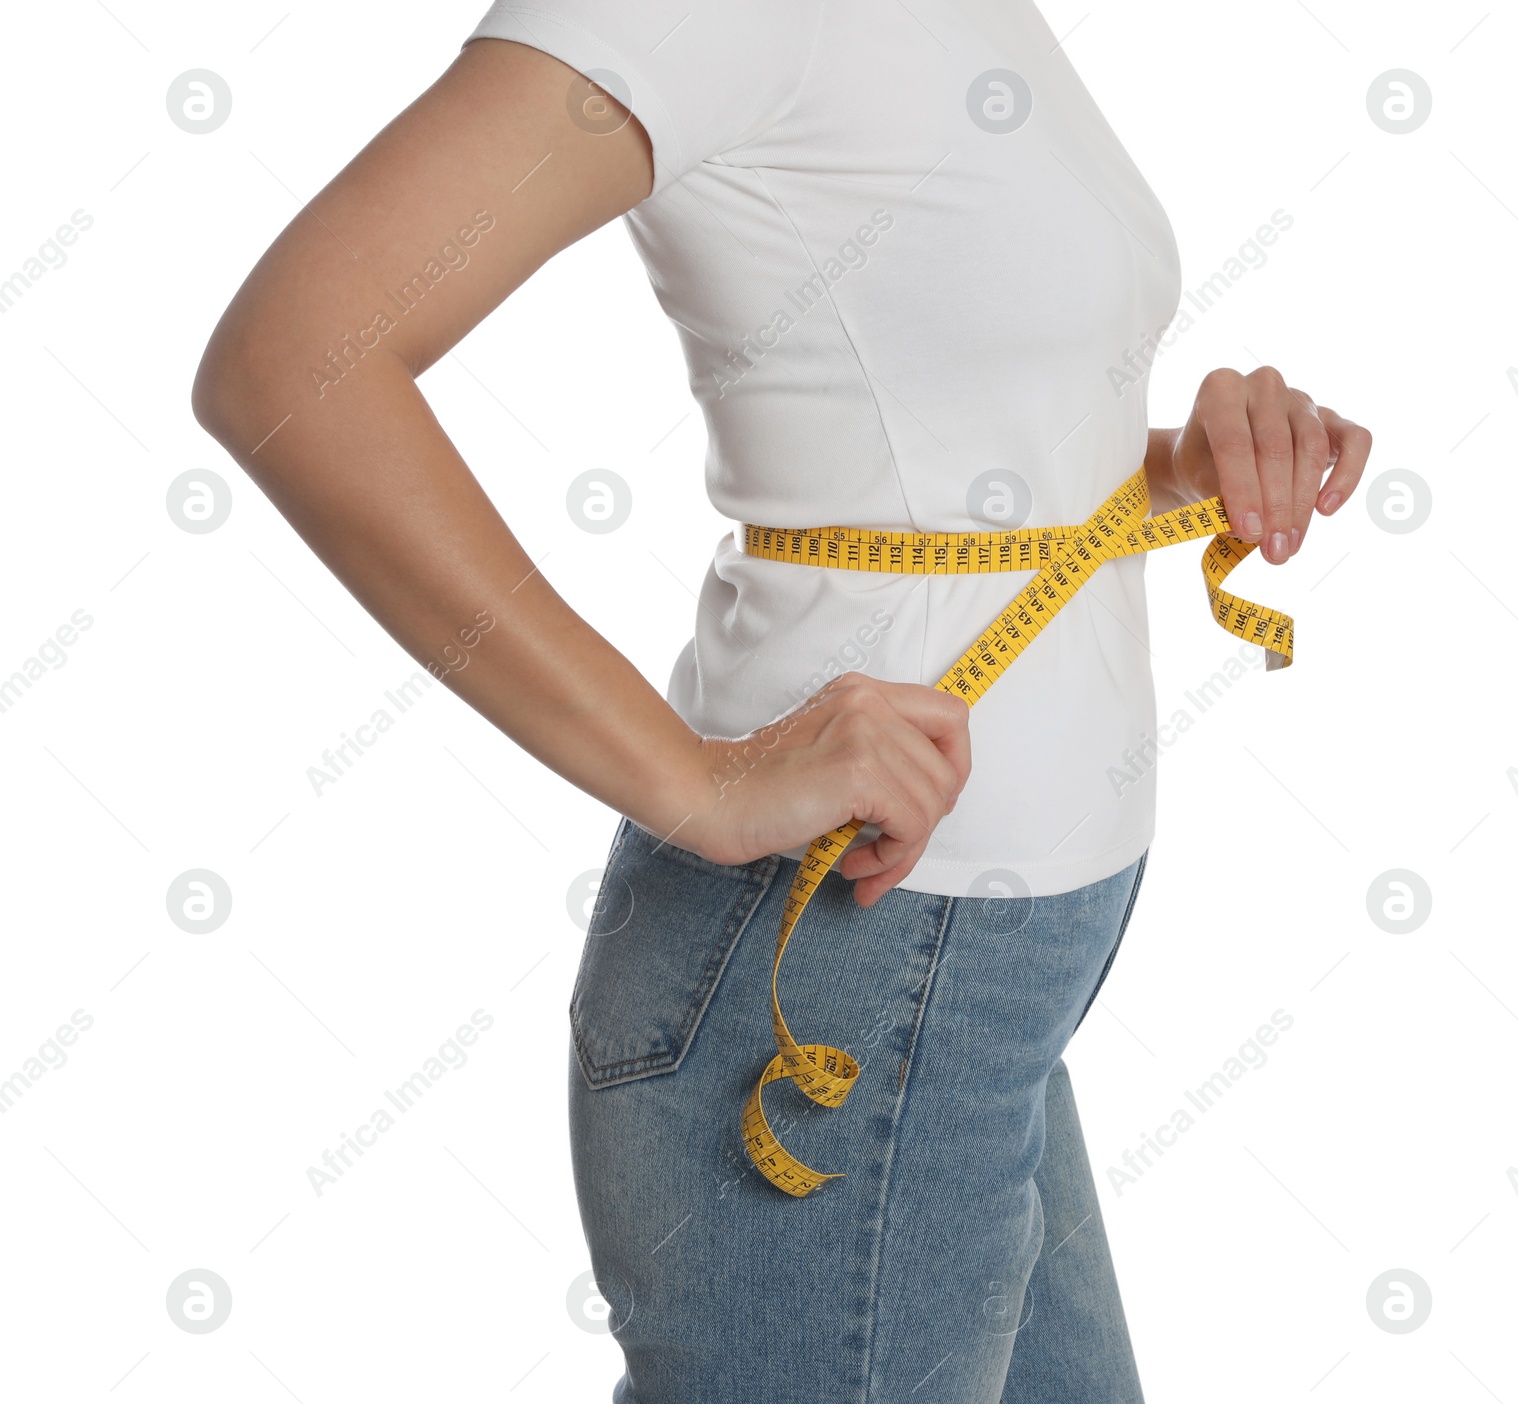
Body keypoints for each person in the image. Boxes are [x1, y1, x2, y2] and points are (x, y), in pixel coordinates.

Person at [191, 3, 1372, 1399]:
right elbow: (293, 363)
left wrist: (1182, 467)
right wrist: (694, 780)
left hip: (976, 997)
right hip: (834, 968)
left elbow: (929, 425)